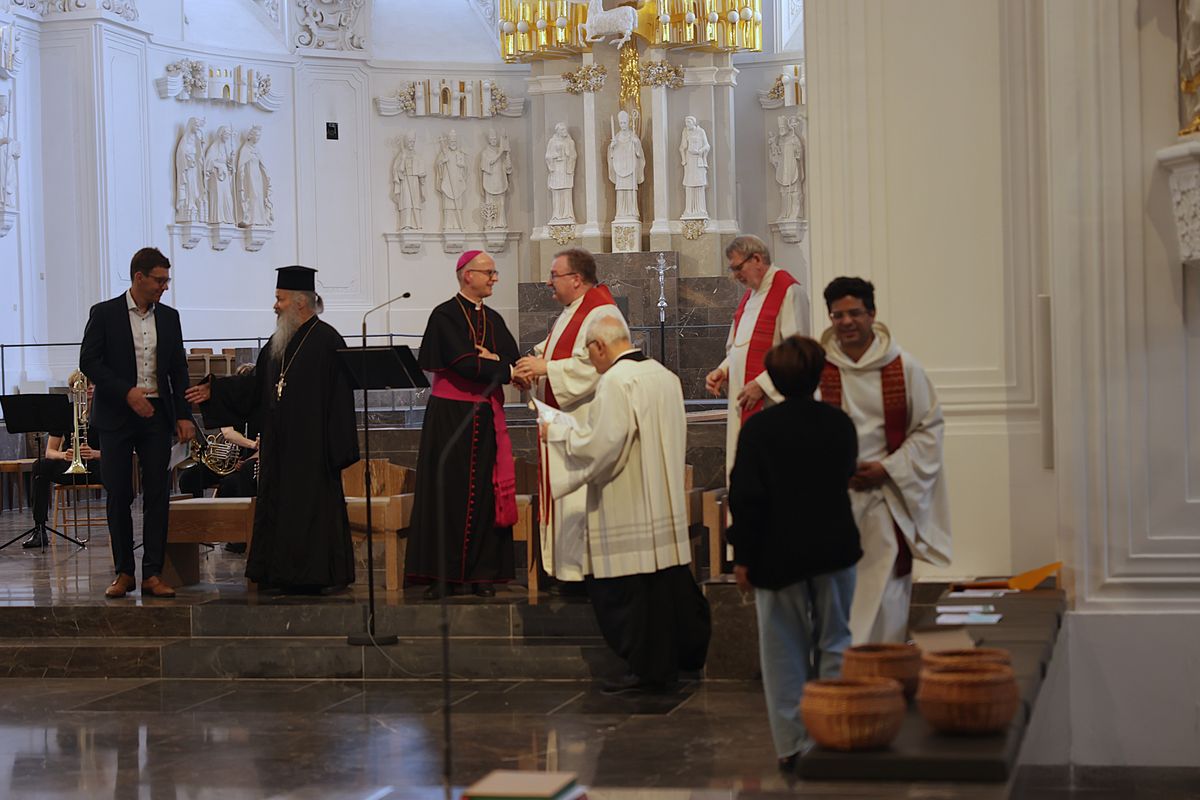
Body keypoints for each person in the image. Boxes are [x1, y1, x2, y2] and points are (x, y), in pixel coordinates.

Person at [542, 315, 711, 693]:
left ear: (600, 347)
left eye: (590, 353)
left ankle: (649, 670)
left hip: (627, 500)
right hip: (661, 497)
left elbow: (602, 445)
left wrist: (557, 433)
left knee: (630, 595)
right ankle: (672, 663)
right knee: (662, 587)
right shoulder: (664, 377)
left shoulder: (617, 381)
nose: (593, 362)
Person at [727, 335, 862, 771]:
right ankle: (834, 730)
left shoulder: (760, 429)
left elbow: (746, 499)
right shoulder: (839, 423)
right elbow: (844, 476)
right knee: (836, 641)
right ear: (820, 374)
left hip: (776, 552)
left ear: (775, 380)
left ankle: (792, 744)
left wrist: (743, 558)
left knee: (783, 649)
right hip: (834, 546)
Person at [184, 266, 359, 592]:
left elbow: (340, 399)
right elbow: (255, 387)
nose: (274, 306)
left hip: (313, 451)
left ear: (300, 303)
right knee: (279, 508)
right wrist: (216, 390)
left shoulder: (328, 341)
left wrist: (336, 450)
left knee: (311, 511)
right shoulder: (278, 343)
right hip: (278, 448)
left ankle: (314, 575)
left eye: (279, 299)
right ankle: (279, 573)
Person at [819, 276, 952, 643]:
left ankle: (885, 670)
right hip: (837, 499)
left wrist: (886, 468)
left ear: (872, 314)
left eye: (854, 313)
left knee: (888, 590)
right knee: (840, 593)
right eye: (837, 315)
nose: (846, 322)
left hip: (886, 495)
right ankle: (846, 679)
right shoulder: (821, 368)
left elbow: (928, 429)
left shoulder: (904, 367)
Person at [80, 247, 195, 598]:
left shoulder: (170, 317)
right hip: (117, 415)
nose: (164, 287)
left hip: (157, 416)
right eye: (159, 280)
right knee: (118, 493)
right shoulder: (104, 314)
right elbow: (89, 361)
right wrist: (126, 392)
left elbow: (178, 368)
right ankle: (124, 572)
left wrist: (183, 415)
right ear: (139, 277)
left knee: (158, 493)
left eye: (167, 280)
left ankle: (153, 573)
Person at [404, 250, 520, 598]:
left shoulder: (495, 318)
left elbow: (513, 359)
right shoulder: (444, 316)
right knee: (446, 494)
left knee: (484, 492)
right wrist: (497, 365)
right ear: (467, 275)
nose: (494, 278)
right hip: (450, 417)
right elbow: (465, 365)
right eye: (489, 272)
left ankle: (481, 575)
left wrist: (496, 360)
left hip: (483, 416)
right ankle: (442, 576)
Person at [514, 248, 622, 583]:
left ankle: (580, 574)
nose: (548, 282)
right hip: (565, 423)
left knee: (578, 498)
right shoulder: (574, 311)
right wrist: (521, 365)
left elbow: (596, 365)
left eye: (554, 275)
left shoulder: (601, 313)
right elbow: (550, 349)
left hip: (583, 424)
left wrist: (544, 367)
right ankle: (564, 570)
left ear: (576, 279)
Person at [705, 235, 810, 481]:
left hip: (772, 404)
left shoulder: (788, 290)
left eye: (737, 268)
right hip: (743, 400)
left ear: (757, 259)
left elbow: (797, 351)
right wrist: (723, 370)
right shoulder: (750, 297)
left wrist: (762, 384)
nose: (735, 276)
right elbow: (739, 347)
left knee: (769, 472)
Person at [23, 372, 101, 548]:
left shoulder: (107, 410)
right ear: (73, 389)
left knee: (117, 470)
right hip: (69, 466)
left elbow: (122, 449)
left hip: (97, 466)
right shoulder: (64, 412)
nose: (89, 387)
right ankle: (39, 529)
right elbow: (50, 451)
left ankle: (122, 531)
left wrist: (95, 453)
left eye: (92, 384)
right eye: (84, 385)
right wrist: (64, 455)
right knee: (40, 466)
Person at [607, 110, 644, 222]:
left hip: (630, 167)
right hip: (620, 167)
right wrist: (612, 147)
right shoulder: (616, 137)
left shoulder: (633, 136)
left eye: (624, 122)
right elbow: (611, 155)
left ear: (628, 122)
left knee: (630, 190)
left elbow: (639, 153)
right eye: (621, 123)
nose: (623, 125)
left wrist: (636, 143)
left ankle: (632, 211)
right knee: (620, 190)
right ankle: (621, 212)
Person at [237, 125, 273, 227]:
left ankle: (260, 219)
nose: (258, 138)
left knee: (259, 195)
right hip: (249, 176)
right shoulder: (245, 149)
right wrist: (241, 173)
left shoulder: (257, 149)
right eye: (256, 136)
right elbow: (241, 164)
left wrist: (267, 176)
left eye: (259, 136)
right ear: (251, 136)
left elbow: (262, 164)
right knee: (253, 195)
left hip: (257, 175)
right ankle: (251, 218)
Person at [391, 132, 426, 230]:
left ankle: (416, 224)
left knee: (415, 202)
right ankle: (406, 224)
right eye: (410, 142)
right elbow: (398, 170)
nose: (412, 144)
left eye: (413, 142)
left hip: (414, 180)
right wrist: (403, 159)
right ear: (406, 142)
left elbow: (421, 169)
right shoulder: (401, 155)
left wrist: (422, 174)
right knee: (407, 201)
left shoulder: (417, 155)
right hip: (405, 181)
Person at [435, 129, 467, 231]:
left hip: (457, 182)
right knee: (448, 204)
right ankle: (448, 225)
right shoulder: (444, 153)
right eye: (451, 141)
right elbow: (438, 165)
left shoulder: (459, 153)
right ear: (448, 141)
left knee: (458, 203)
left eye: (454, 141)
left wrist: (461, 165)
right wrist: (443, 161)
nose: (453, 143)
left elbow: (465, 168)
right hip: (448, 181)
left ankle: (458, 225)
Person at [479, 127, 512, 229]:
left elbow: (507, 167)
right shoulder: (485, 153)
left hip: (500, 180)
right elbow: (490, 162)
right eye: (492, 139)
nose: (493, 141)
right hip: (490, 181)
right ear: (489, 140)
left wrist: (507, 155)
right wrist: (500, 153)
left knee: (501, 203)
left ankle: (501, 222)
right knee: (490, 202)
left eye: (495, 139)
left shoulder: (500, 150)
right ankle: (490, 223)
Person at [679, 116, 710, 220]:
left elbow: (707, 146)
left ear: (693, 122)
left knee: (699, 183)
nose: (687, 124)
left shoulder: (701, 131)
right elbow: (682, 147)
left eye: (688, 122)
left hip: (699, 160)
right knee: (689, 183)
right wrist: (683, 160)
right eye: (686, 122)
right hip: (689, 161)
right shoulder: (685, 132)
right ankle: (689, 209)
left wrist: (701, 151)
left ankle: (700, 209)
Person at [545, 122, 577, 225]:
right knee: (557, 191)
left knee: (566, 190)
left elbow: (574, 155)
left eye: (565, 129)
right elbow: (548, 156)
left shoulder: (570, 142)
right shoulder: (552, 142)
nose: (564, 131)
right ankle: (557, 214)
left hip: (565, 168)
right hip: (556, 169)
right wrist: (554, 156)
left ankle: (567, 214)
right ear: (558, 131)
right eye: (562, 130)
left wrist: (569, 155)